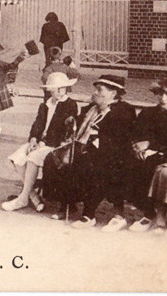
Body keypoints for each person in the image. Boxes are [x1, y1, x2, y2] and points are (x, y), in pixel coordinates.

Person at [43, 75, 136, 230]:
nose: (95, 92)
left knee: (87, 164)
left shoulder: (124, 110)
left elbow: (120, 138)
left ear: (113, 93)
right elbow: (78, 121)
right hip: (87, 148)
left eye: (99, 90)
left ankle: (89, 213)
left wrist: (95, 141)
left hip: (113, 154)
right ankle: (68, 204)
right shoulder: (92, 108)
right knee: (54, 158)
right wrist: (72, 120)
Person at [2, 72, 80, 212]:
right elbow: (37, 124)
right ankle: (33, 197)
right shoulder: (45, 105)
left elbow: (66, 131)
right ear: (50, 89)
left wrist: (43, 143)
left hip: (55, 146)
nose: (61, 91)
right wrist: (33, 139)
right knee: (15, 158)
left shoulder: (70, 105)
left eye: (64, 88)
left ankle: (23, 198)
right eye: (58, 88)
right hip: (40, 143)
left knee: (31, 158)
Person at [126, 79, 167, 232]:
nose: (163, 98)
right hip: (145, 155)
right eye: (160, 93)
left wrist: (149, 145)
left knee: (151, 170)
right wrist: (137, 148)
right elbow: (135, 134)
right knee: (127, 165)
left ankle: (159, 217)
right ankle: (148, 213)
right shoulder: (148, 113)